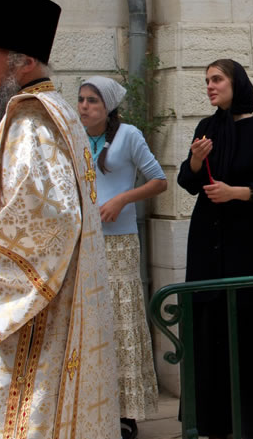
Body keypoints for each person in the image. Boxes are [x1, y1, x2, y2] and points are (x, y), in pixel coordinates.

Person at [0, 0, 119, 438]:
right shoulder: (33, 117)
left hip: (31, 337)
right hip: (24, 328)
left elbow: (49, 229)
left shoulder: (32, 125)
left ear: (24, 62)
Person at [177, 59, 253, 439]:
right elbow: (187, 182)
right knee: (208, 325)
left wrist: (236, 193)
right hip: (205, 243)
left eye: (217, 79)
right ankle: (210, 421)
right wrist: (196, 160)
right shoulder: (207, 128)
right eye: (207, 80)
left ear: (235, 83)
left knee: (246, 325)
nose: (210, 86)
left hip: (244, 243)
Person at [78, 75, 167, 439]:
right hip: (84, 242)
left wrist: (121, 199)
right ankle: (90, 409)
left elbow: (159, 180)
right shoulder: (73, 136)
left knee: (120, 323)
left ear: (109, 106)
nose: (84, 107)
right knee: (89, 324)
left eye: (93, 101)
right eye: (81, 100)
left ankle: (126, 414)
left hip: (119, 243)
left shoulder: (129, 135)